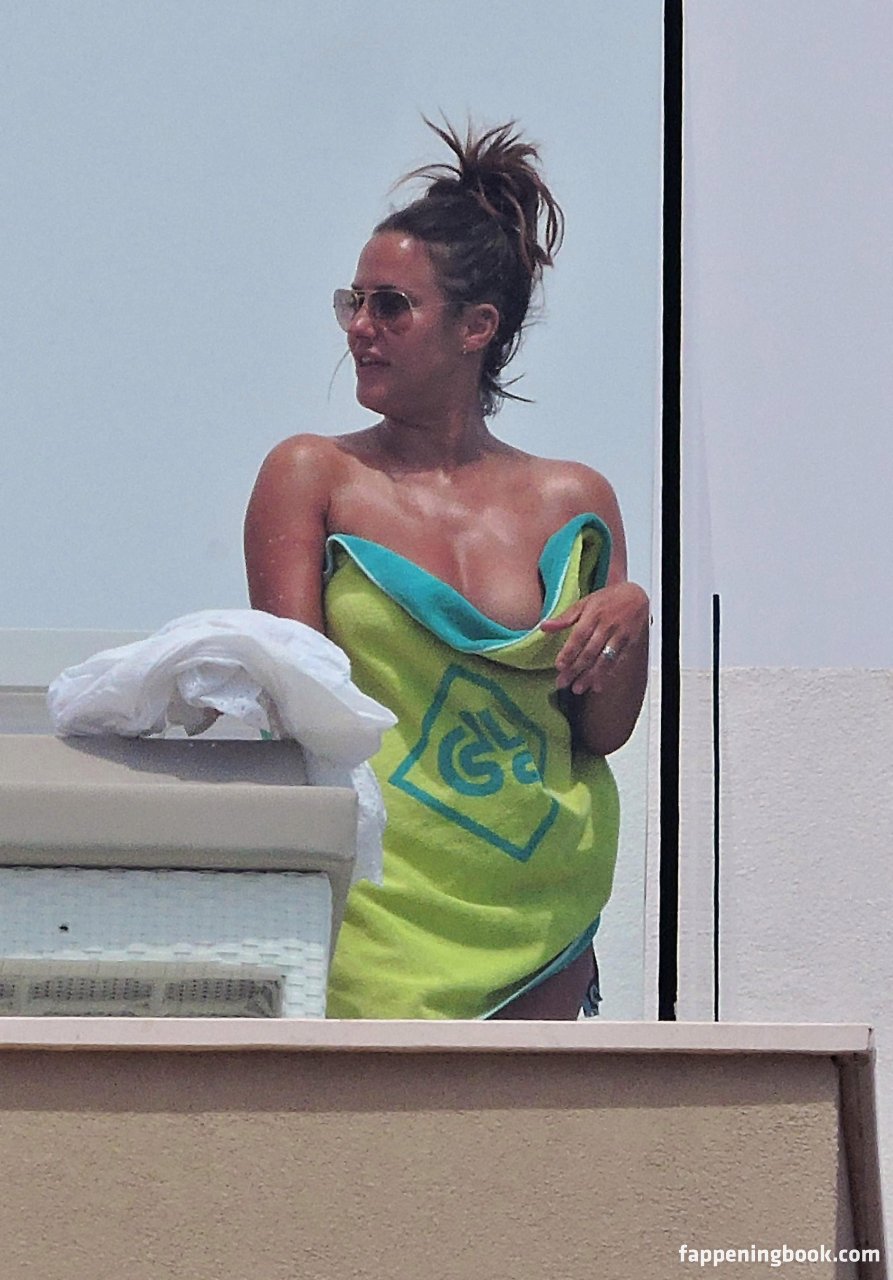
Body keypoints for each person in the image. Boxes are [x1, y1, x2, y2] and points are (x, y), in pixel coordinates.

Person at [244, 120, 649, 1020]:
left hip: (541, 916)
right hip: (374, 912)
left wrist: (629, 616)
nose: (360, 328)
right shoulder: (312, 476)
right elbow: (298, 712)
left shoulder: (574, 500)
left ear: (476, 327)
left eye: (391, 306)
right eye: (353, 301)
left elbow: (602, 731)